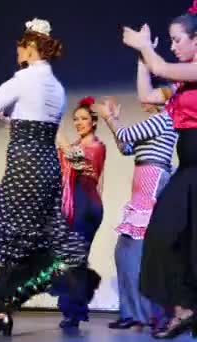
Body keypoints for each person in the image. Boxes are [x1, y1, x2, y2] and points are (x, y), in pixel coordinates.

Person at [0, 18, 99, 337]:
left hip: (25, 169)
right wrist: (5, 114)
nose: (17, 51)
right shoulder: (57, 87)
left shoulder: (22, 79)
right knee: (34, 236)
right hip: (46, 168)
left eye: (20, 46)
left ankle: (1, 307)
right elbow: (31, 118)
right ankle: (1, 313)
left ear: (32, 47)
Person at [122, 1, 197, 337]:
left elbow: (163, 68)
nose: (172, 46)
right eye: (169, 41)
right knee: (163, 235)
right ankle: (184, 308)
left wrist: (146, 50)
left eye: (177, 40)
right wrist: (143, 57)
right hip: (190, 167)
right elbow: (148, 93)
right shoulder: (181, 83)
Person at [96, 97, 176, 332]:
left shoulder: (164, 119)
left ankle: (147, 314)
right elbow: (126, 147)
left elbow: (125, 135)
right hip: (143, 177)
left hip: (151, 178)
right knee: (127, 253)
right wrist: (115, 120)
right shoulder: (155, 121)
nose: (144, 97)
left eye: (151, 94)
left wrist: (110, 117)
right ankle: (134, 313)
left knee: (134, 252)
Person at [56, 96, 107, 328]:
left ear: (94, 122)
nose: (78, 122)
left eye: (84, 119)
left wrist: (56, 129)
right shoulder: (76, 144)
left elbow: (77, 163)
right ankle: (74, 306)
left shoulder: (96, 146)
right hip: (76, 203)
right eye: (75, 119)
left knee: (74, 259)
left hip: (86, 205)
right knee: (71, 259)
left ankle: (74, 312)